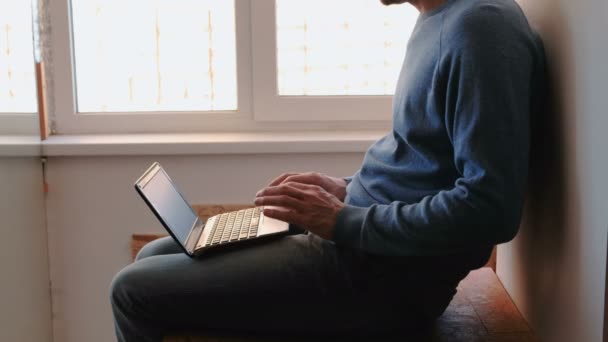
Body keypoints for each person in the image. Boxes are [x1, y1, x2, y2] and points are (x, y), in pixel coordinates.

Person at [110, 0, 546, 340]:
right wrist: (342, 188)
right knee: (156, 255)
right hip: (361, 246)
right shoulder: (440, 18)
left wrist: (343, 220)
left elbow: (491, 208)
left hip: (380, 279)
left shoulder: (480, 30)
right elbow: (422, 162)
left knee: (132, 292)